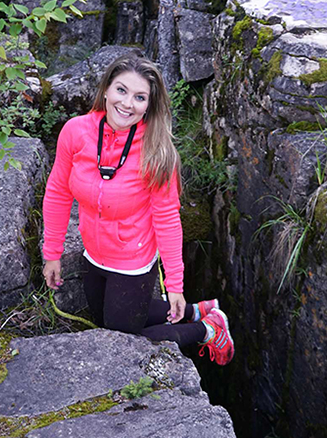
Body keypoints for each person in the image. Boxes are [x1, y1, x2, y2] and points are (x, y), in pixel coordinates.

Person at [41, 52, 234, 365]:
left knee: (120, 334)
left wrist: (174, 285)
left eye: (139, 97)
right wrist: (52, 253)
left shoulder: (156, 152)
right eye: (121, 90)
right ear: (105, 89)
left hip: (133, 260)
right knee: (104, 316)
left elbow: (168, 220)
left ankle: (207, 329)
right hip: (93, 251)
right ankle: (197, 309)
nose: (127, 104)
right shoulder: (75, 132)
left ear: (150, 104)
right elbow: (58, 192)